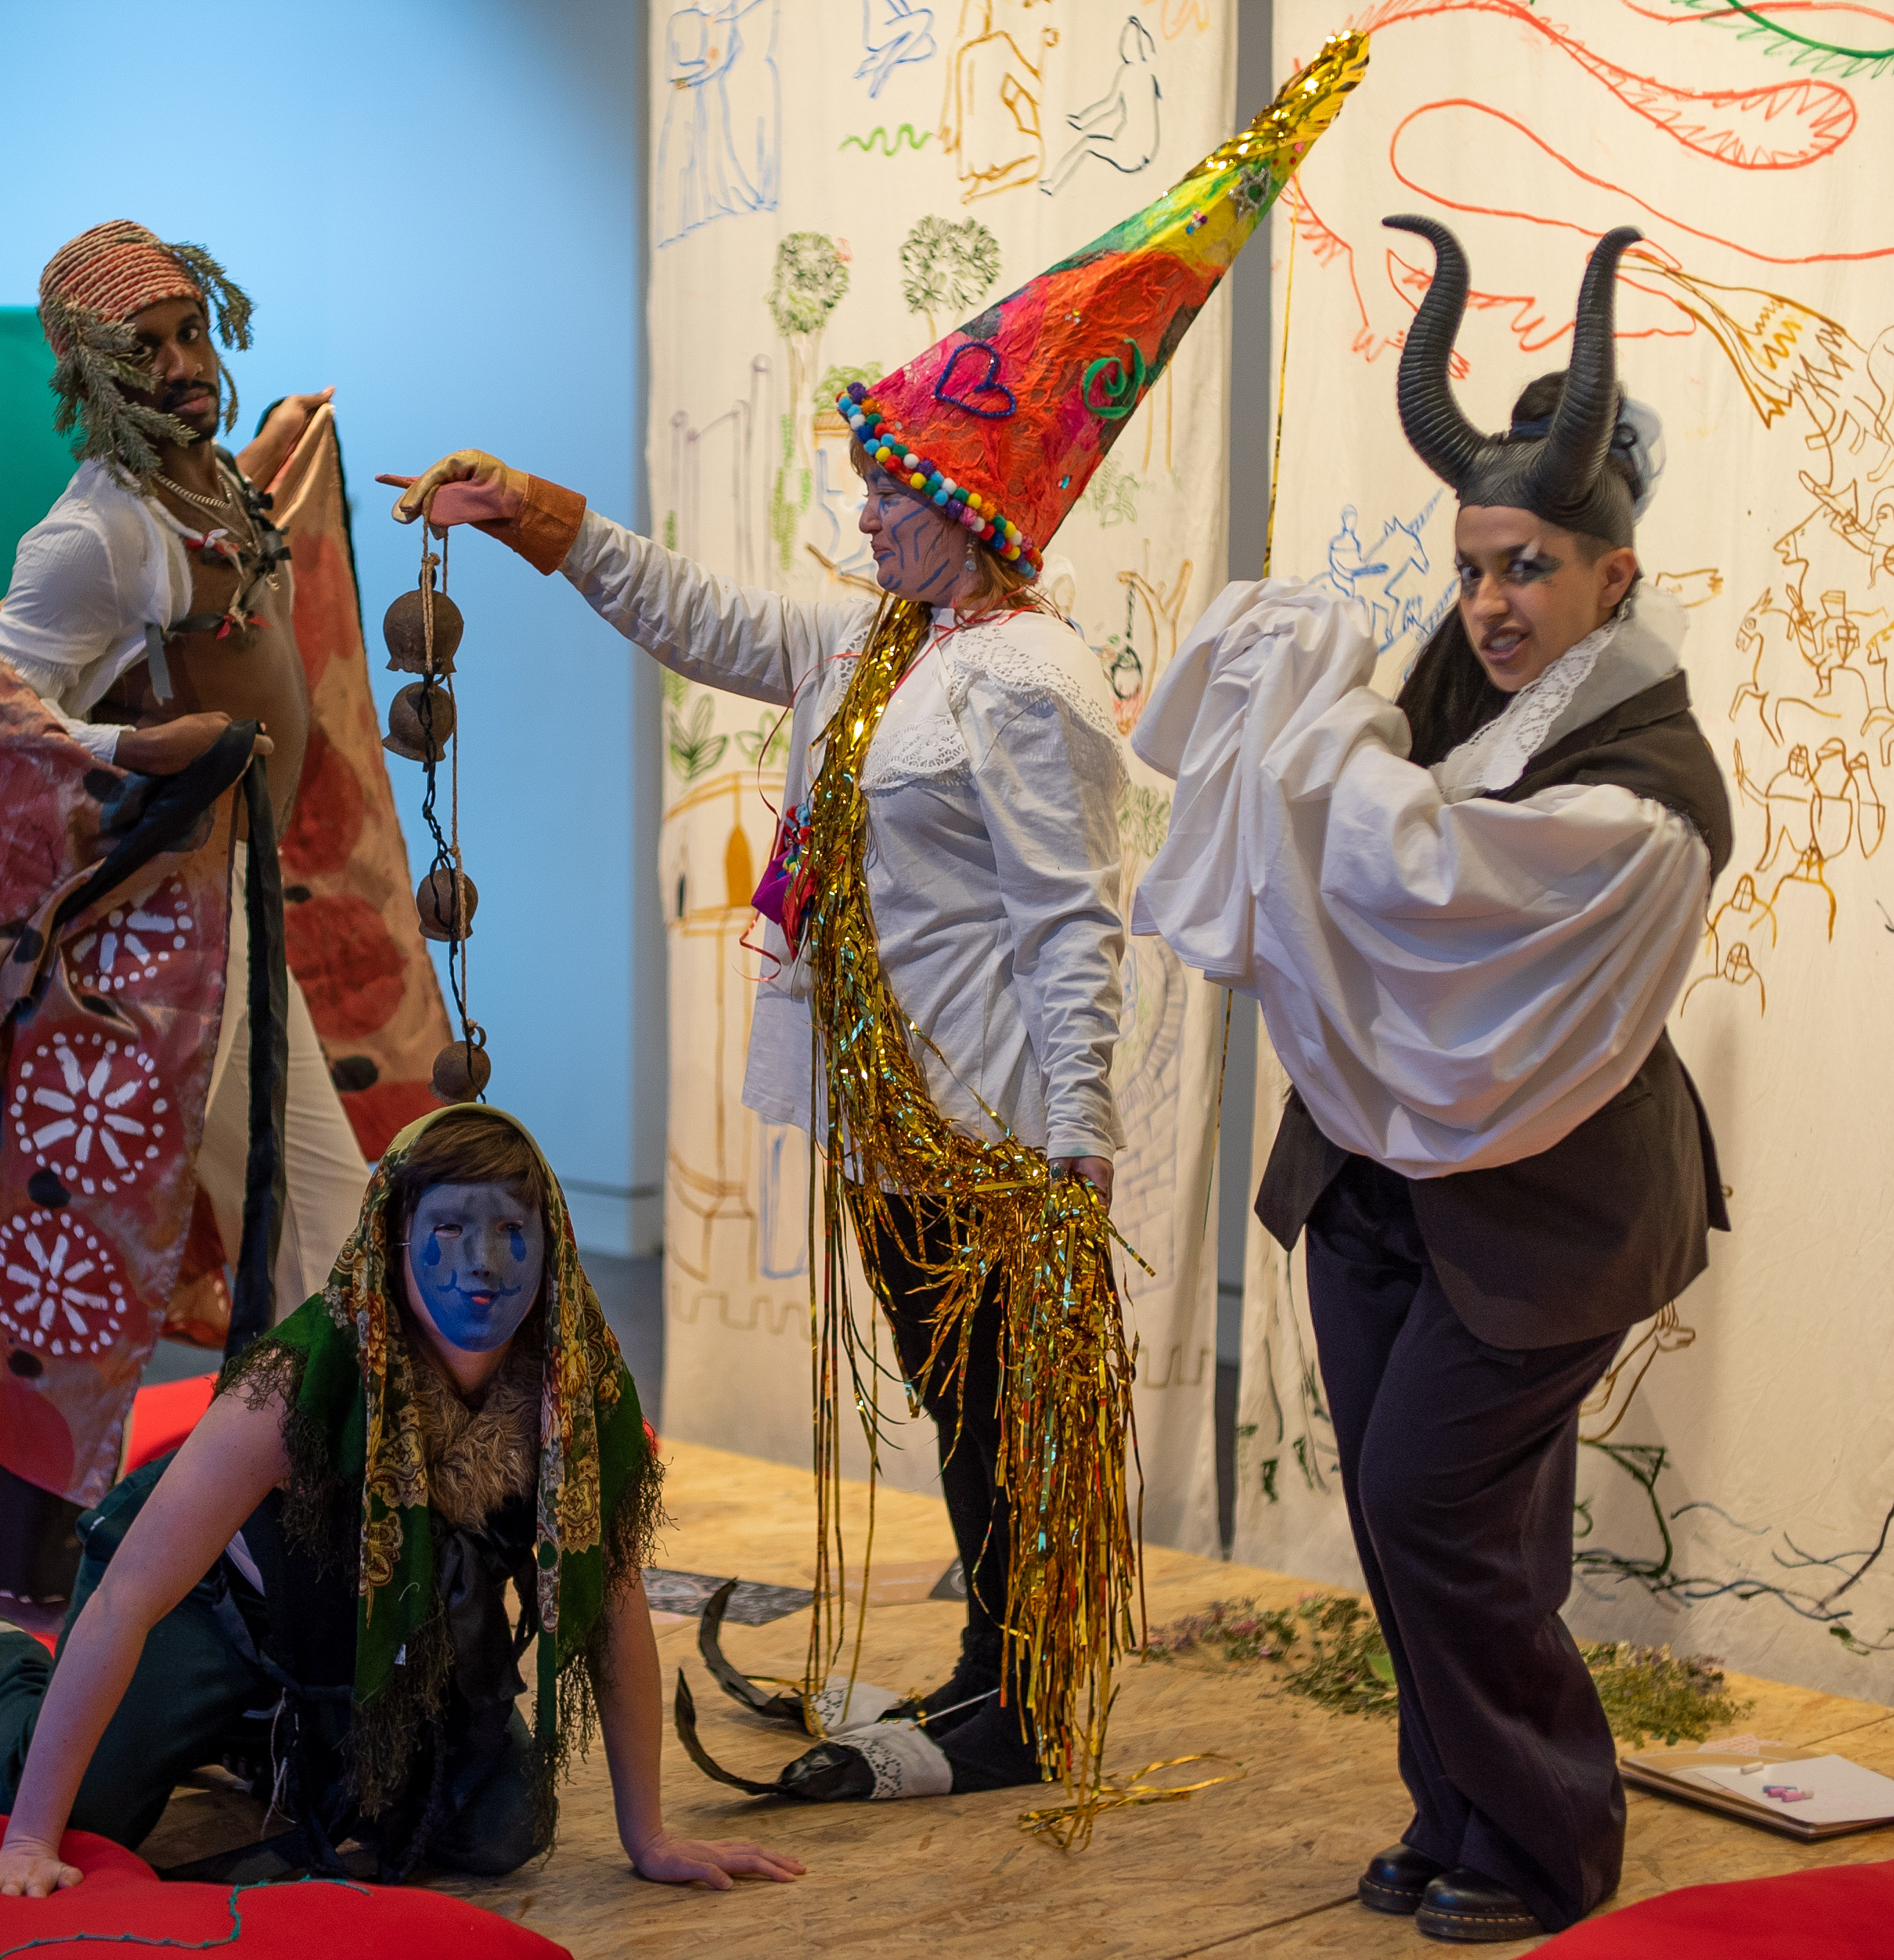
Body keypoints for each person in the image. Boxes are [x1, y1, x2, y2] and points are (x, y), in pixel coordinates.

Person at [381, 37, 1367, 1806]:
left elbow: (1078, 927)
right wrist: (541, 521)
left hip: (982, 1131)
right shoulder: (879, 645)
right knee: (953, 1406)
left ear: (973, 512)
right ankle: (1005, 1669)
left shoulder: (1025, 682)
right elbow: (718, 624)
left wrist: (1072, 1146)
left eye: (891, 493)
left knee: (999, 1413)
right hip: (885, 1121)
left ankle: (1019, 1698)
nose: (862, 514)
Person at [1126, 219, 1730, 1942]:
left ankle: (1546, 1842)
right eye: (1473, 566)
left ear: (1613, 571)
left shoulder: (1646, 787)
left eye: (1527, 567)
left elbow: (1423, 872)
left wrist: (1325, 737)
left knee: (1426, 1506)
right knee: (1437, 1529)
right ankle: (1455, 1806)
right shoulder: (1476, 671)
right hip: (1376, 1180)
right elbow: (1358, 825)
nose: (1488, 603)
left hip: (1544, 1206)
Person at [0, 1105, 803, 1896]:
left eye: (514, 1233)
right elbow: (132, 1597)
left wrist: (651, 1838)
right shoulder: (294, 1385)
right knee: (88, 1810)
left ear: (552, 1245)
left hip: (375, 1620)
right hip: (210, 1607)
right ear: (396, 1242)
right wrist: (27, 1841)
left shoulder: (573, 1383)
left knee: (501, 1823)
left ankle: (274, 1738)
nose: (483, 1264)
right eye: (451, 1232)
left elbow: (613, 1598)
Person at [0, 220, 375, 1619]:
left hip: (234, 925)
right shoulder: (92, 535)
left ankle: (291, 1557)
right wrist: (129, 754)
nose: (182, 368)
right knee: (106, 1264)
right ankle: (42, 1609)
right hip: (150, 962)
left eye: (191, 335)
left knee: (322, 1238)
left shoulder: (207, 490)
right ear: (91, 379)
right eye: (144, 350)